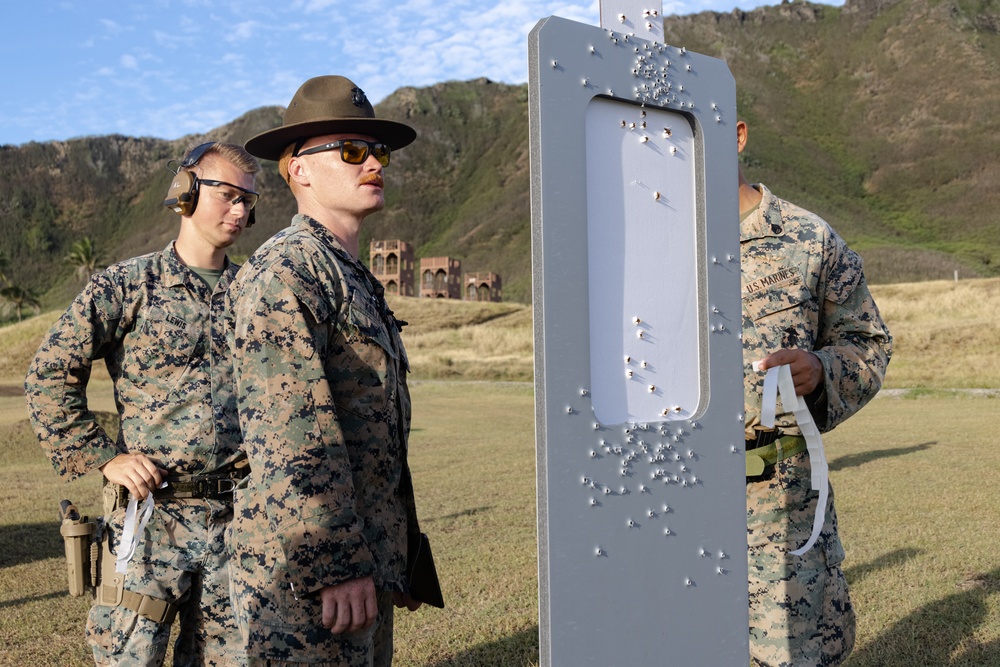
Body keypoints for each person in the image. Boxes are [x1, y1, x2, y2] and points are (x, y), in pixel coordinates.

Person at [24, 141, 260, 666]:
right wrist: (106, 457)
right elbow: (47, 375)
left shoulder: (256, 293)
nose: (241, 211)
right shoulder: (127, 286)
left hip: (238, 520)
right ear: (185, 194)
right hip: (151, 520)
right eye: (227, 196)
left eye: (249, 200)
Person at [226, 75, 426, 666]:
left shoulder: (350, 277)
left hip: (361, 566)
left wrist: (397, 554)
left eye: (377, 151)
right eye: (352, 150)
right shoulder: (286, 272)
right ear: (298, 169)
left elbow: (376, 431)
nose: (373, 163)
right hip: (308, 581)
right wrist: (335, 566)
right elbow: (292, 438)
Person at [737, 119, 892, 666]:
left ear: (736, 136)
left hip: (780, 509)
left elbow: (868, 343)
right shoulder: (648, 245)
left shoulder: (808, 239)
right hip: (673, 502)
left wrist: (823, 370)